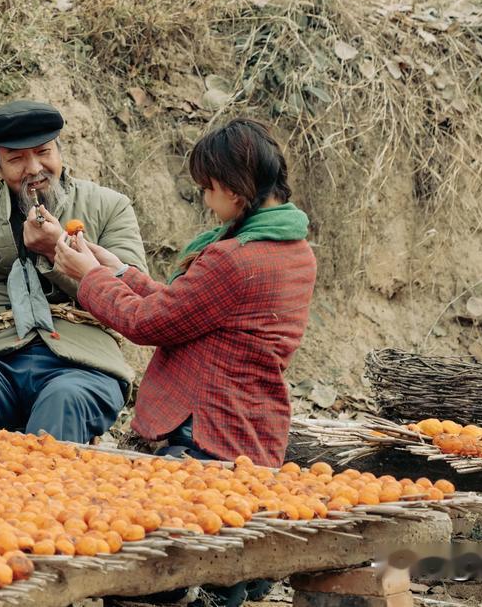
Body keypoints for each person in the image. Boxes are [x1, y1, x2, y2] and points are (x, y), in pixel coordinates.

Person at [54, 118, 316, 607]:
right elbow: (186, 307)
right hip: (251, 422)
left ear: (236, 189)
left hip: (207, 426)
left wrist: (88, 278)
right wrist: (118, 269)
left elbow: (150, 323)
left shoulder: (234, 259)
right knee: (214, 540)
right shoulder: (294, 249)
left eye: (209, 188)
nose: (205, 200)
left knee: (150, 566)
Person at [0, 100, 148, 444]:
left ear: (60, 150)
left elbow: (134, 298)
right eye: (16, 159)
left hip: (80, 366)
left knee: (65, 397)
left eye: (43, 152)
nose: (34, 168)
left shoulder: (109, 206)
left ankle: (34, 496)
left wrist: (54, 250)